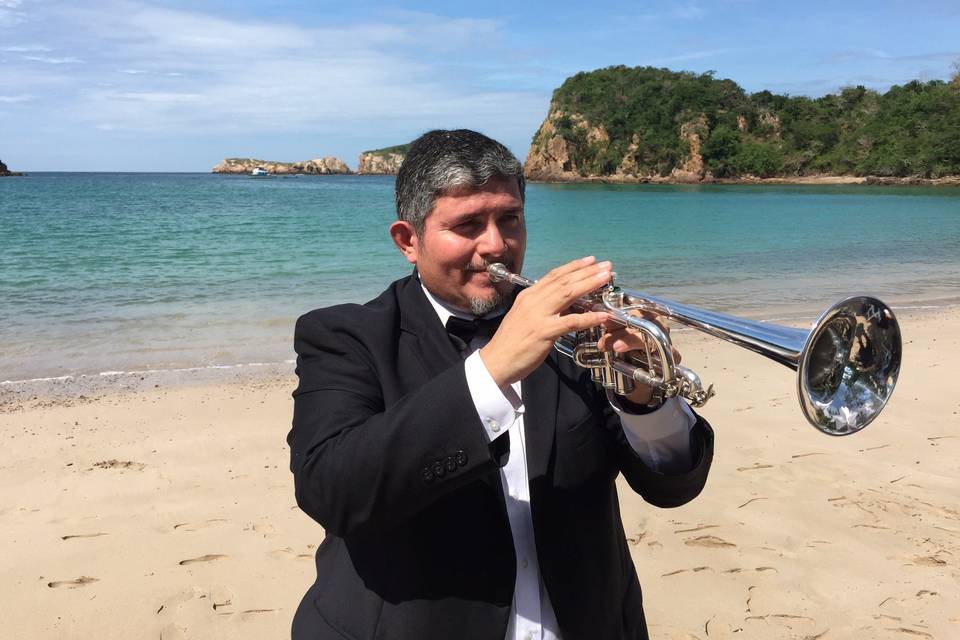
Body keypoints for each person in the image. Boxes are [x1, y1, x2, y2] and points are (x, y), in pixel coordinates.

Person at [288, 129, 714, 640]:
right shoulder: (343, 336)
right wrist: (490, 373)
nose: (496, 245)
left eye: (509, 219)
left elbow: (673, 486)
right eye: (467, 224)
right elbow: (332, 489)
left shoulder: (569, 332)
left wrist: (642, 397)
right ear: (408, 240)